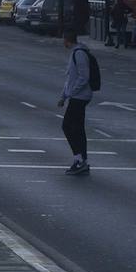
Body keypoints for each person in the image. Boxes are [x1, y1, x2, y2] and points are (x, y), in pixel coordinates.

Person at [58, 29, 96, 175]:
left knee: (67, 126)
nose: (63, 43)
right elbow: (70, 79)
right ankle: (82, 159)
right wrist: (64, 96)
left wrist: (71, 93)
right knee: (78, 128)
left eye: (64, 40)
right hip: (77, 96)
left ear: (68, 40)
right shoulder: (75, 53)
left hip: (80, 97)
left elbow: (83, 77)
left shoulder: (79, 54)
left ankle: (79, 159)